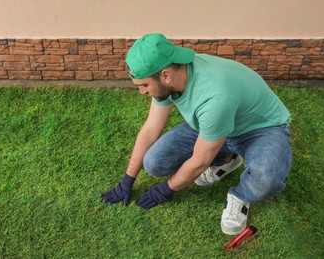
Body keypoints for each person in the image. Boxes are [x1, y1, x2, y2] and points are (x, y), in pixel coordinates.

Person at [101, 33, 292, 235]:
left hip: (260, 128)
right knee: (154, 163)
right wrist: (127, 180)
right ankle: (226, 159)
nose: (142, 92)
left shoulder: (214, 97)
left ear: (165, 75)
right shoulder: (172, 73)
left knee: (266, 180)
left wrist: (164, 190)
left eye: (144, 85)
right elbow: (150, 130)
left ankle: (241, 195)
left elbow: (200, 161)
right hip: (213, 125)